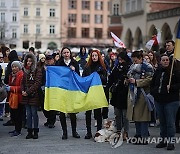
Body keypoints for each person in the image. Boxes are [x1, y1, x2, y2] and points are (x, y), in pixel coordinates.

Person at [150, 54, 180, 150]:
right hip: (159, 100)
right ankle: (163, 140)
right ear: (160, 61)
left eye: (167, 60)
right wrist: (154, 92)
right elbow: (153, 83)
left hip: (171, 101)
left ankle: (171, 142)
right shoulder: (158, 71)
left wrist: (171, 87)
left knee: (170, 122)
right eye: (163, 60)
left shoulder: (175, 72)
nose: (166, 61)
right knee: (162, 122)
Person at [126, 50, 154, 144]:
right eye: (133, 60)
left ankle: (144, 136)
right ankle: (138, 135)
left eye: (136, 60)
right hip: (133, 93)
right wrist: (128, 80)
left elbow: (149, 79)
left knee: (143, 117)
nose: (134, 62)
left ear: (140, 58)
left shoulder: (148, 67)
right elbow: (129, 74)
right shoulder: (132, 66)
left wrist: (137, 82)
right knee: (136, 116)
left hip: (143, 94)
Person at [56, 47, 80, 140]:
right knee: (62, 112)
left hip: (71, 90)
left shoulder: (74, 63)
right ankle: (64, 132)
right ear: (62, 54)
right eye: (64, 52)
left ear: (70, 53)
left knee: (72, 112)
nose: (66, 54)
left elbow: (78, 75)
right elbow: (56, 75)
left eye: (67, 52)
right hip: (62, 89)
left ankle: (74, 131)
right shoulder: (59, 63)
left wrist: (74, 70)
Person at [82, 49, 107, 139]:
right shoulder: (87, 67)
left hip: (97, 92)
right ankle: (88, 132)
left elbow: (105, 79)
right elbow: (84, 78)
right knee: (88, 112)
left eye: (96, 55)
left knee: (97, 113)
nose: (94, 57)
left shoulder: (102, 67)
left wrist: (98, 75)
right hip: (89, 92)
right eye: (92, 56)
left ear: (98, 56)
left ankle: (99, 132)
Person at [108, 51, 131, 141]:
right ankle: (118, 131)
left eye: (122, 60)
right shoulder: (116, 67)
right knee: (117, 114)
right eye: (119, 60)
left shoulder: (129, 67)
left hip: (125, 93)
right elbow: (111, 78)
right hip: (116, 94)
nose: (120, 61)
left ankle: (126, 131)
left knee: (125, 115)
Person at [21, 53, 42, 139]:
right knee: (28, 114)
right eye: (27, 61)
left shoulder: (38, 70)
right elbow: (22, 83)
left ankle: (35, 130)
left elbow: (37, 83)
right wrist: (22, 90)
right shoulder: (25, 71)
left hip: (34, 95)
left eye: (30, 61)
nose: (29, 63)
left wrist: (28, 91)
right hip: (26, 95)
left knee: (34, 113)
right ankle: (29, 131)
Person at [38, 54, 56, 128]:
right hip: (44, 88)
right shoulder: (43, 68)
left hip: (53, 89)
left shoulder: (55, 68)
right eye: (47, 60)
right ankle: (48, 119)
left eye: (50, 60)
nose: (49, 61)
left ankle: (52, 121)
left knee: (52, 106)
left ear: (53, 60)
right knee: (44, 105)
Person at [6, 61, 24, 137]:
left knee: (18, 115)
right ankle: (16, 129)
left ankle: (18, 130)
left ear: (19, 67)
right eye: (13, 67)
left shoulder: (21, 75)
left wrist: (11, 88)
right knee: (13, 114)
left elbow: (21, 88)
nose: (14, 68)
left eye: (16, 66)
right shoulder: (11, 75)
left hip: (19, 98)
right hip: (12, 97)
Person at [3, 50, 19, 126]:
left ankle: (13, 120)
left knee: (12, 104)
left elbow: (7, 76)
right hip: (16, 89)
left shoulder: (11, 64)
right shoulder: (19, 62)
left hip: (12, 87)